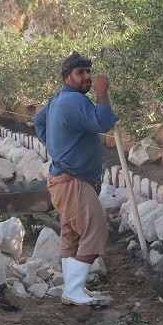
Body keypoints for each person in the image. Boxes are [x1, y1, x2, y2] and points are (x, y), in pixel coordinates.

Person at [33, 51, 118, 306]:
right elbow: (102, 122)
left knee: (71, 235)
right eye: (81, 73)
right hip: (73, 182)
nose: (88, 77)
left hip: (63, 178)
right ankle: (73, 291)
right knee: (95, 232)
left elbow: (39, 121)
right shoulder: (74, 102)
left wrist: (56, 146)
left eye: (89, 72)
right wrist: (102, 92)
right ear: (67, 76)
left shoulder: (59, 99)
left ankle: (72, 290)